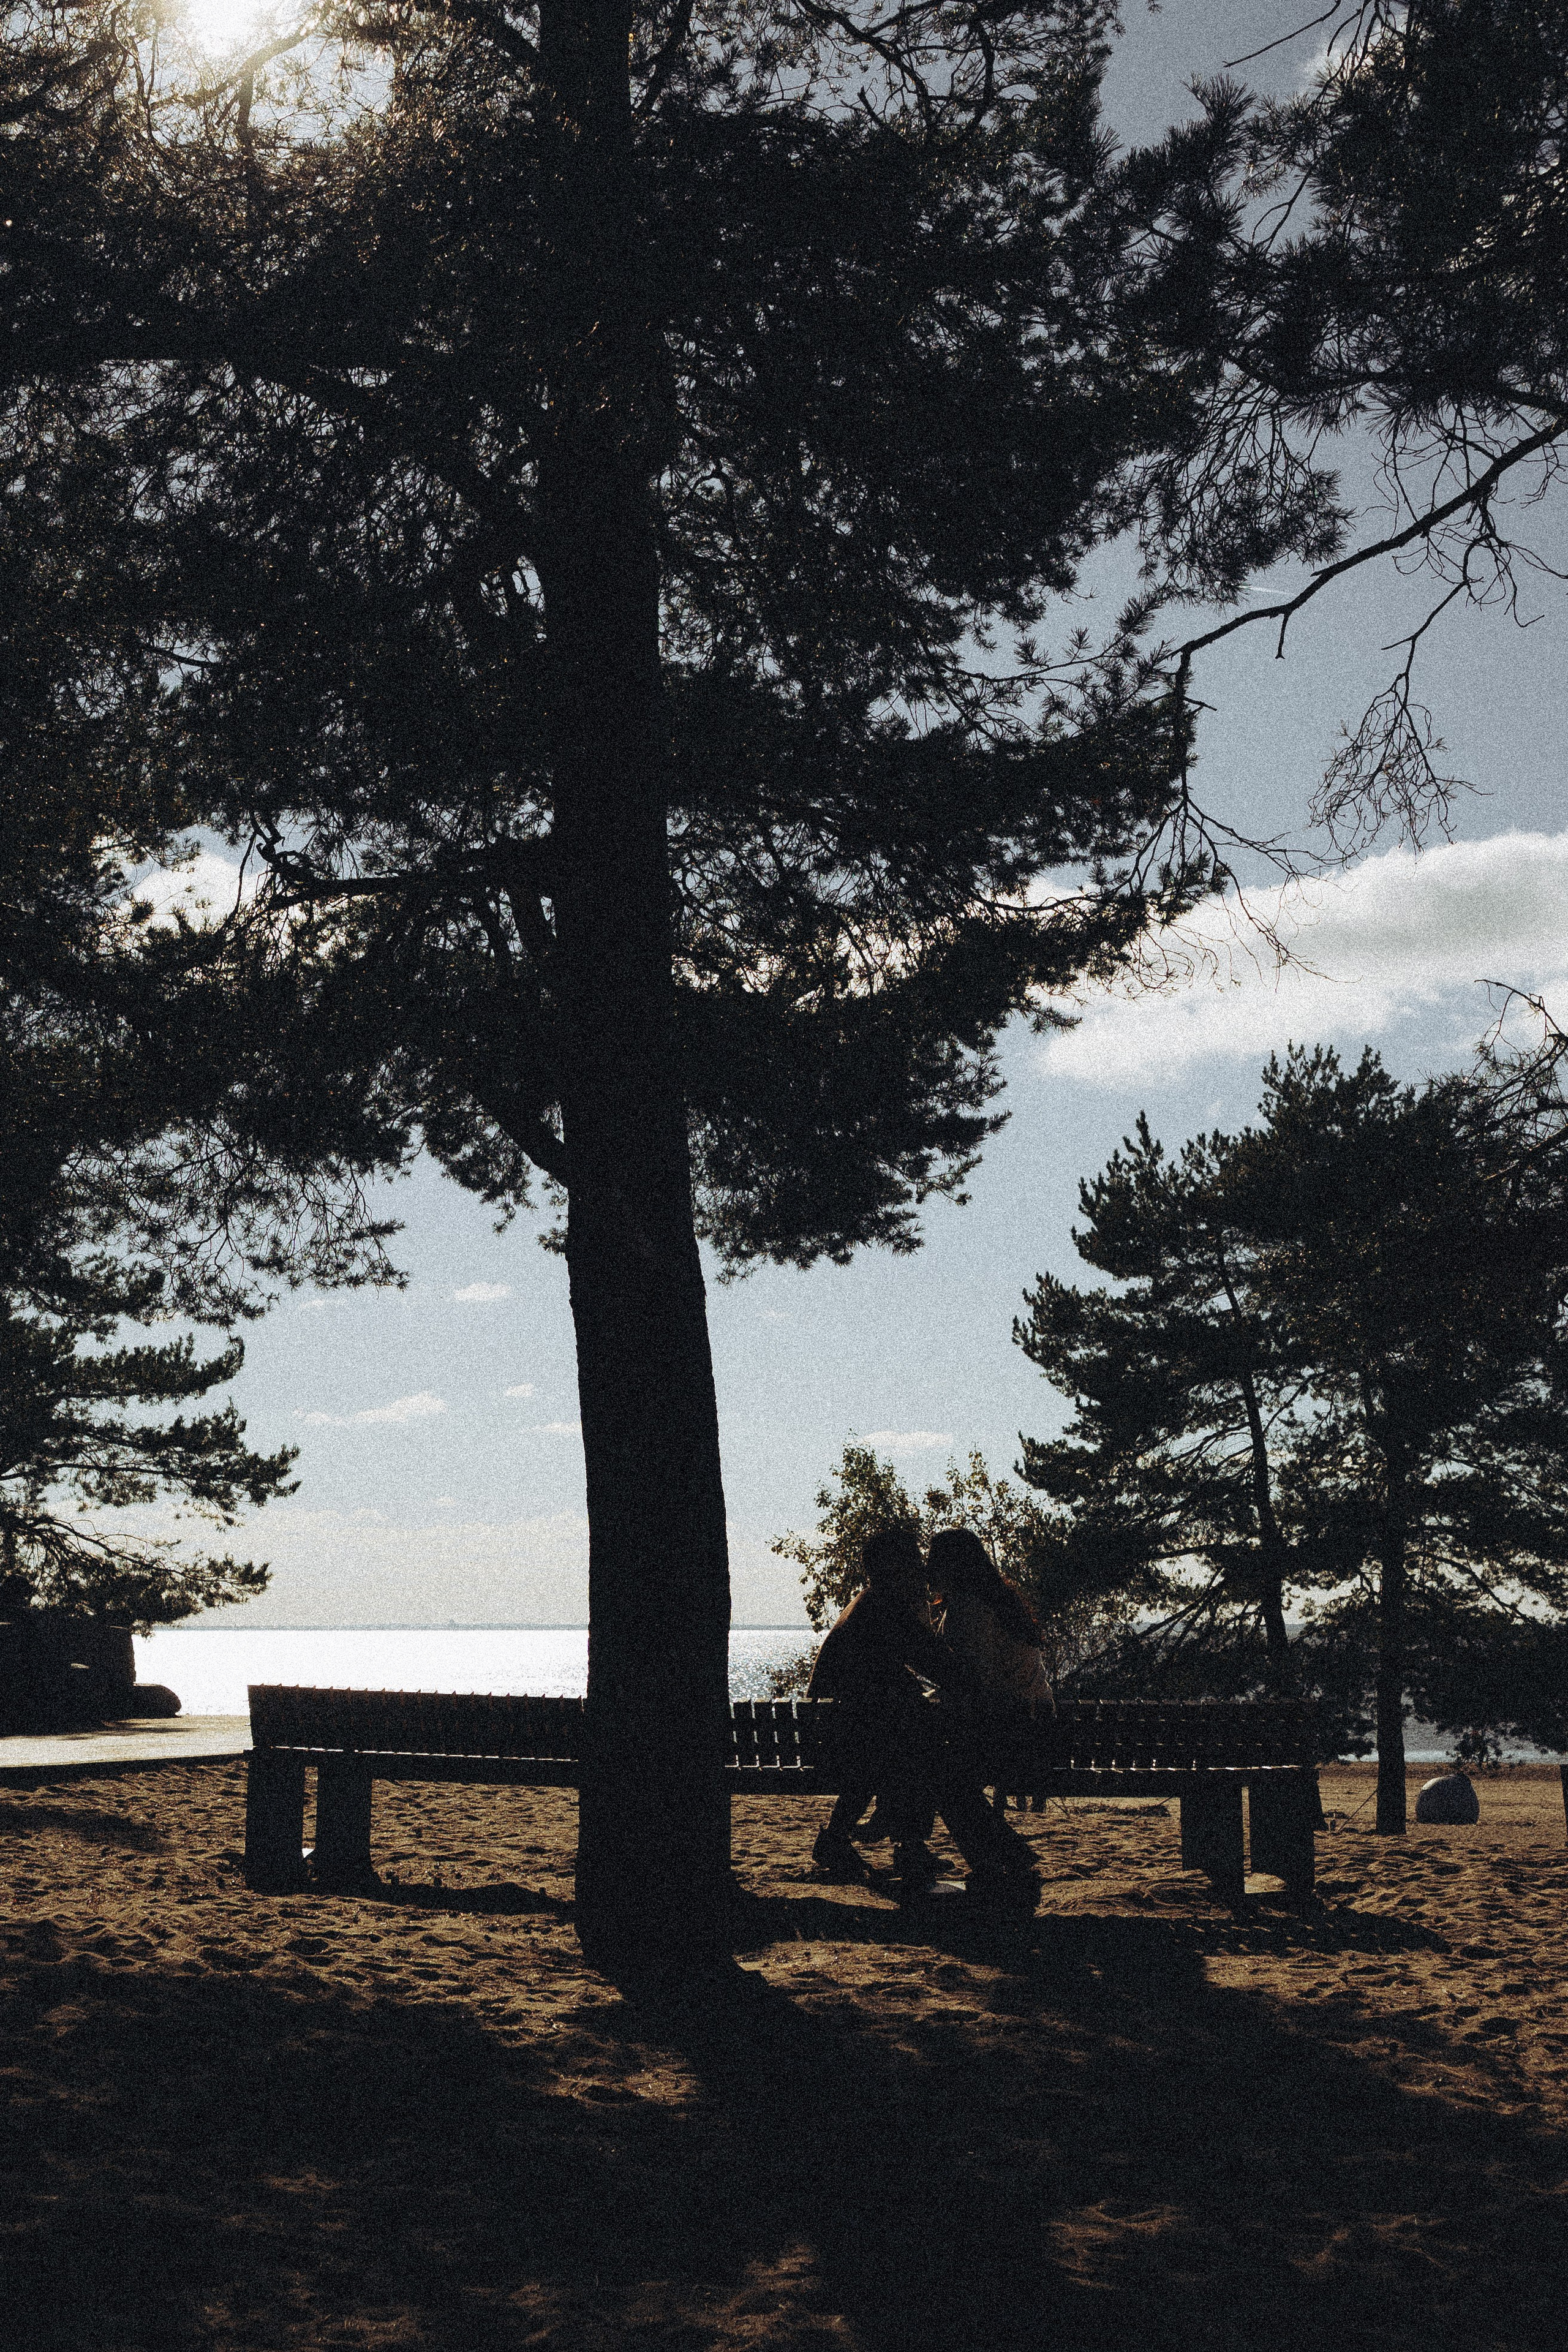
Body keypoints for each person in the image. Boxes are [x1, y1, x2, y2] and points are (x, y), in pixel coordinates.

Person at [807, 1524, 1039, 1899]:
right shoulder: (887, 1609)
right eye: (914, 1561)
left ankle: (899, 1845)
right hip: (853, 1738)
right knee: (922, 1753)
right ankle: (917, 1848)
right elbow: (940, 1665)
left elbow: (915, 1672)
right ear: (895, 1567)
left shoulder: (870, 1604)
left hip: (839, 1735)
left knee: (916, 1748)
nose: (922, 1570)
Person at [927, 1526, 1052, 1819]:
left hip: (1012, 1727)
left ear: (952, 1567)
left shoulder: (970, 1607)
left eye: (933, 1561)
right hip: (1036, 1723)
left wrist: (927, 1696)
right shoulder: (997, 1601)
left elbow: (974, 1679)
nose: (927, 1569)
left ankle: (908, 1839)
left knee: (922, 1758)